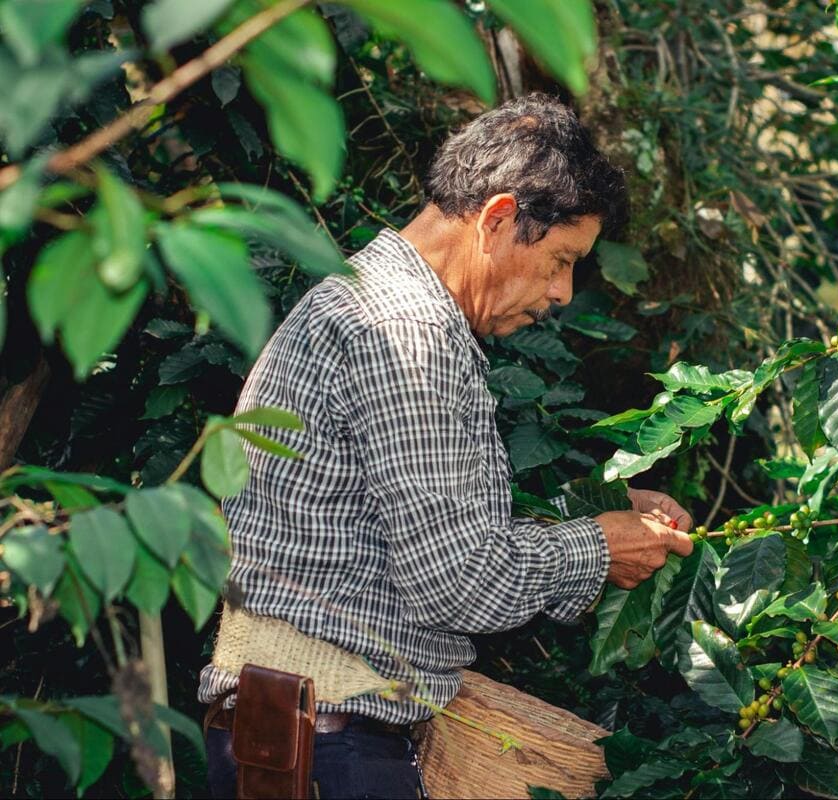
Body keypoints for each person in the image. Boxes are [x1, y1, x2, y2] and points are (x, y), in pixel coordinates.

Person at [199, 93, 694, 798]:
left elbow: (410, 537)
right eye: (559, 259)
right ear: (496, 220)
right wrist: (599, 547)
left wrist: (594, 515)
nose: (562, 291)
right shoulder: (408, 331)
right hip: (325, 746)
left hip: (301, 733)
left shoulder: (375, 300)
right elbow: (461, 581)